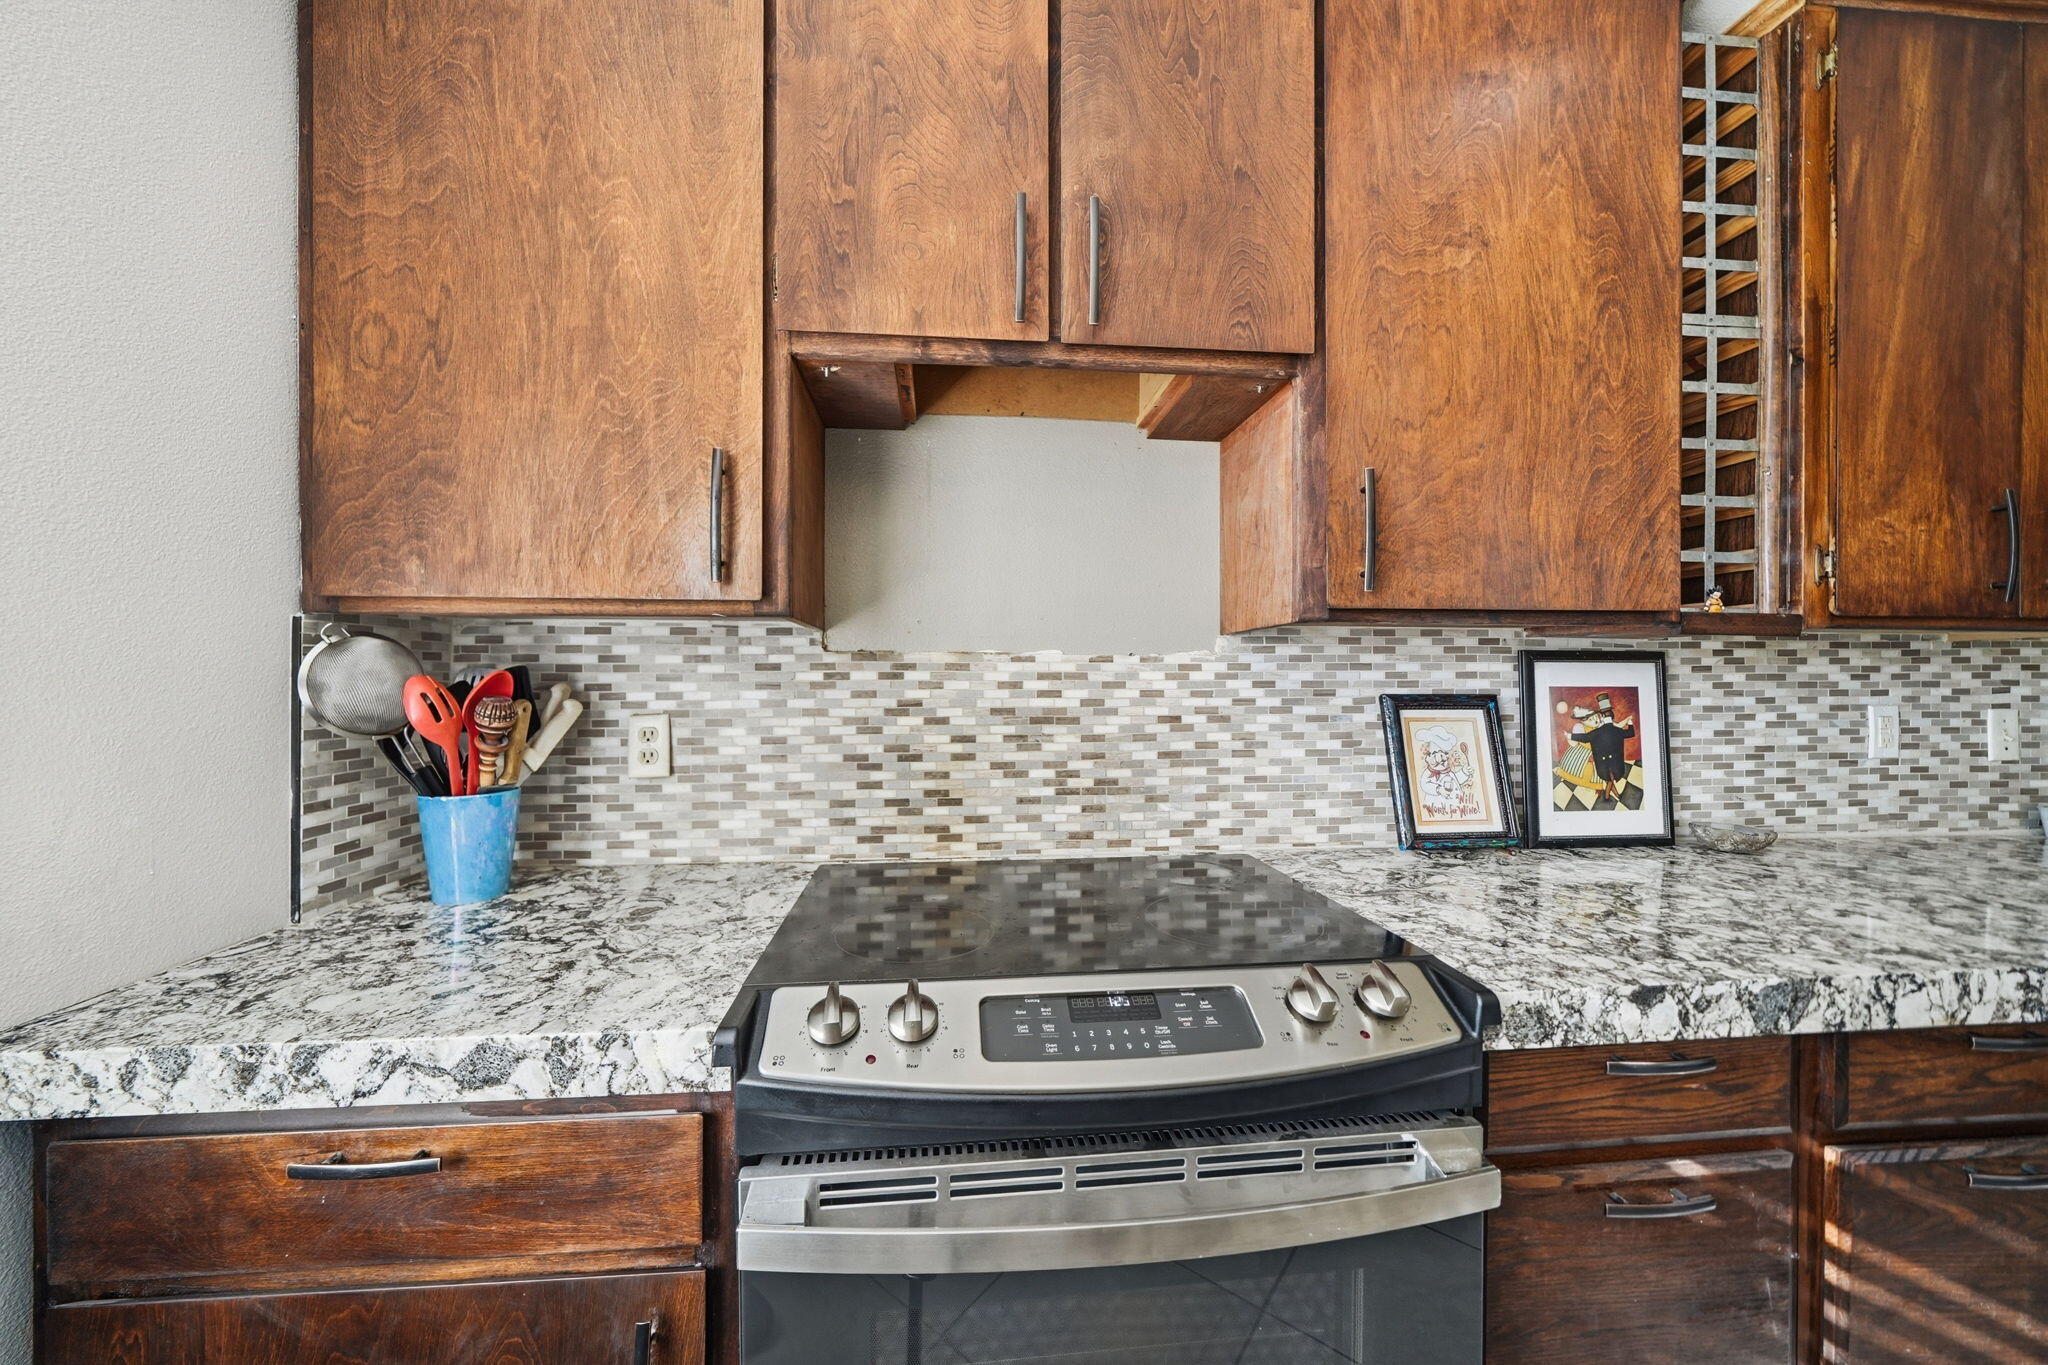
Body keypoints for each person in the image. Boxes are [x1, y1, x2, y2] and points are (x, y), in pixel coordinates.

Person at [1571, 693, 1638, 802]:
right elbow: (1586, 738)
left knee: (1609, 779)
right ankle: (1608, 797)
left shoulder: (1606, 725)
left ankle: (1612, 796)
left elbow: (1618, 728)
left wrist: (1627, 721)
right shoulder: (1589, 729)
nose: (1596, 720)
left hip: (1608, 755)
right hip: (1598, 756)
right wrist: (1571, 736)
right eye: (1589, 719)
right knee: (1608, 779)